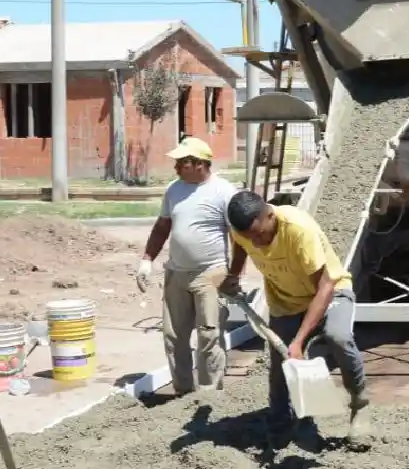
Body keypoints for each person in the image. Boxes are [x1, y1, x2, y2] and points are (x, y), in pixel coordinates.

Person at [221, 190, 370, 441]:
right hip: (285, 301)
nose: (256, 243)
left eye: (259, 235)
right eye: (249, 237)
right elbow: (241, 245)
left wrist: (299, 341)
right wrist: (233, 276)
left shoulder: (298, 231)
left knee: (338, 337)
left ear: (270, 215)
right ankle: (279, 426)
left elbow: (325, 287)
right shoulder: (244, 229)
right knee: (281, 366)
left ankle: (359, 404)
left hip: (330, 293)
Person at [135, 137, 236, 395]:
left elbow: (239, 238)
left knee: (209, 336)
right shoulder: (174, 190)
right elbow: (162, 226)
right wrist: (147, 259)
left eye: (182, 162)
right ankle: (182, 394)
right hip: (176, 274)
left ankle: (209, 395)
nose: (176, 167)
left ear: (200, 164)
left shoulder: (224, 192)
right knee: (174, 337)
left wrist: (234, 275)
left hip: (211, 274)